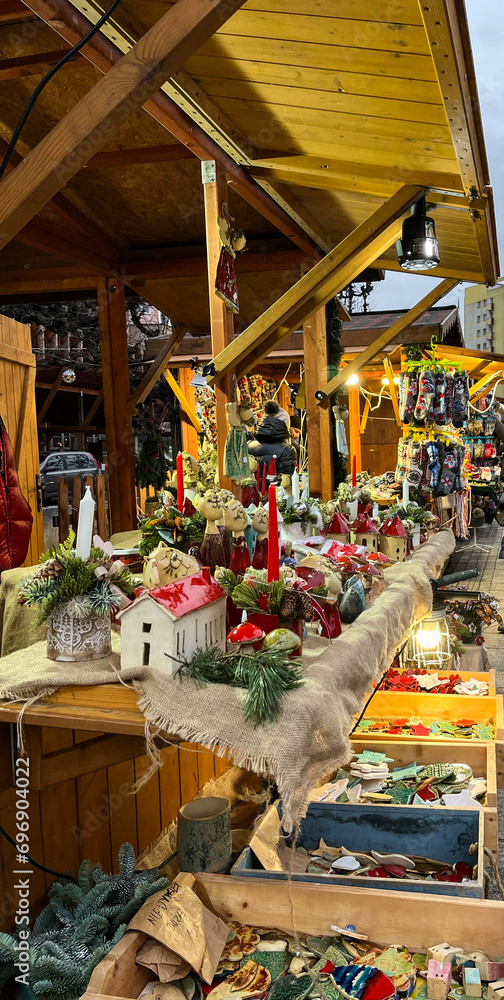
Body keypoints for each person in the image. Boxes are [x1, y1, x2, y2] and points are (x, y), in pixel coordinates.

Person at [248, 400, 297, 475]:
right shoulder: (287, 451)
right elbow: (287, 482)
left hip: (251, 486)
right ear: (285, 426)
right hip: (276, 486)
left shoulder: (248, 445)